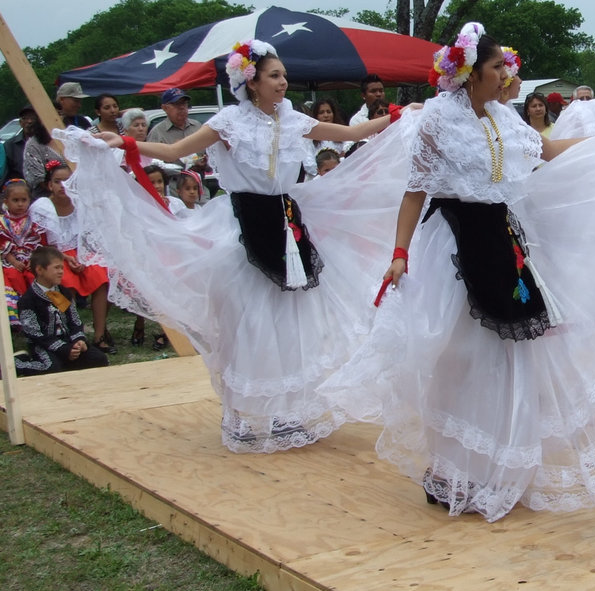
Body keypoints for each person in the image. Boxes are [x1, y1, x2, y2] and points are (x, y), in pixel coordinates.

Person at [321, 24, 595, 518]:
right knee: (459, 360)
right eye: (497, 65)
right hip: (453, 246)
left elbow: (545, 152)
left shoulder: (504, 118)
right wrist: (400, 254)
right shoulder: (437, 120)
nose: (506, 73)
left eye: (504, 65)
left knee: (507, 359)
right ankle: (450, 469)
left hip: (503, 242)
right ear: (470, 72)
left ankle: (496, 467)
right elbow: (415, 191)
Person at [57, 39, 402, 453]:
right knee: (252, 322)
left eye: (284, 76)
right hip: (241, 226)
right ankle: (250, 413)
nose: (283, 82)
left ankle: (288, 408)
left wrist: (399, 116)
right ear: (251, 82)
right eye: (275, 75)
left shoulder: (293, 119)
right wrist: (128, 145)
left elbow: (350, 132)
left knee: (290, 319)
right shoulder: (229, 121)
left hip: (287, 225)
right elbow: (175, 150)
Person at [30, 161, 113, 353]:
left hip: (81, 252)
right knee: (65, 281)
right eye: (58, 181)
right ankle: (71, 334)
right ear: (49, 185)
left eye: (67, 181)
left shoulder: (81, 204)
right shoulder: (43, 207)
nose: (63, 186)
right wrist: (66, 259)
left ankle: (100, 334)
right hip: (53, 255)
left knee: (100, 276)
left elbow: (90, 237)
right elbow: (42, 245)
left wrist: (83, 257)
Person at [14, 246, 108, 375]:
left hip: (68, 342)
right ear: (40, 270)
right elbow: (36, 334)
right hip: (43, 345)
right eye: (56, 268)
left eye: (62, 268)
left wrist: (79, 341)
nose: (61, 272)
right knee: (51, 368)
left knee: (99, 359)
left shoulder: (61, 293)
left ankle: (66, 362)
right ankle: (18, 363)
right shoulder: (28, 300)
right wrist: (64, 349)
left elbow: (73, 320)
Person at [0, 179, 46, 327]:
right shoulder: (2, 222)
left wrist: (33, 260)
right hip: (10, 260)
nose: (20, 204)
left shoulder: (33, 220)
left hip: (31, 259)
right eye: (15, 200)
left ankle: (45, 311)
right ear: (6, 201)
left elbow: (38, 242)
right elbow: (2, 243)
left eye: (23, 200)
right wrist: (13, 261)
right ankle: (20, 311)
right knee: (13, 276)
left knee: (36, 276)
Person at [147, 88, 203, 154]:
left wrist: (204, 159)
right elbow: (152, 160)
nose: (182, 107)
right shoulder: (157, 132)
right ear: (165, 108)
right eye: (177, 104)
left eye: (184, 103)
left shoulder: (197, 126)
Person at [22, 117, 60, 197]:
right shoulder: (33, 144)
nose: (57, 118)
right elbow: (38, 179)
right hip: (45, 196)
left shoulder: (67, 139)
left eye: (60, 114)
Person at [3, 104, 37, 184]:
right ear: (20, 122)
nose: (29, 121)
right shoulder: (9, 145)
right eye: (25, 118)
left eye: (33, 118)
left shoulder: (47, 142)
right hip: (18, 188)